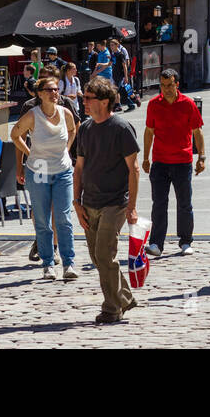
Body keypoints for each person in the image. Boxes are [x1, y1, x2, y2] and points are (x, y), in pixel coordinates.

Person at [71, 77, 142, 323]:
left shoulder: (121, 129)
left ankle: (112, 308)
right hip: (89, 202)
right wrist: (76, 202)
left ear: (104, 101)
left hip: (115, 202)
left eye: (88, 98)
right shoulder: (86, 129)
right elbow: (79, 167)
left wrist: (131, 206)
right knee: (99, 257)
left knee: (104, 254)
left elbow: (134, 169)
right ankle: (125, 298)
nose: (84, 102)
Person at [10, 75, 79, 279]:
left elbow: (73, 129)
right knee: (42, 219)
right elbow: (15, 134)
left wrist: (66, 150)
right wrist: (28, 153)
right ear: (40, 94)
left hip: (63, 170)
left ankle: (68, 263)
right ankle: (48, 263)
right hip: (38, 169)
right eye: (49, 90)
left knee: (64, 217)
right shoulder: (33, 115)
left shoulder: (65, 112)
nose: (55, 93)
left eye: (56, 89)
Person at [141, 68, 205, 257]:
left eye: (169, 85)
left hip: (182, 161)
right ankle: (156, 244)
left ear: (177, 84)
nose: (166, 89)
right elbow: (149, 132)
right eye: (162, 85)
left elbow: (197, 131)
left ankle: (186, 241)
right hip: (160, 161)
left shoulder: (188, 104)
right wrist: (145, 158)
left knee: (184, 203)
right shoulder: (153, 104)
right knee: (159, 203)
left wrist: (201, 157)